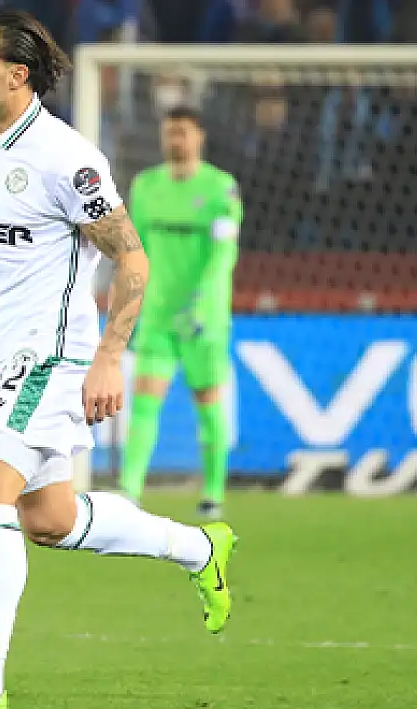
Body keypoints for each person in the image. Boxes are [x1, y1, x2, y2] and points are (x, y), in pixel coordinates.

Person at [0, 10, 238, 709]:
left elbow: (132, 259)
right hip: (2, 350)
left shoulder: (67, 160)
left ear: (17, 74)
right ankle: (201, 548)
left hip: (51, 353)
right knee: (49, 519)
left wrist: (109, 357)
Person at [117, 107, 243, 519]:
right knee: (144, 400)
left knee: (207, 400)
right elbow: (136, 249)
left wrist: (203, 301)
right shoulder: (146, 186)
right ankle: (129, 490)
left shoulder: (220, 188)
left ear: (199, 136)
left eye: (183, 132)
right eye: (170, 132)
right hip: (158, 314)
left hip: (203, 317)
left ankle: (213, 493)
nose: (175, 140)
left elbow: (224, 253)